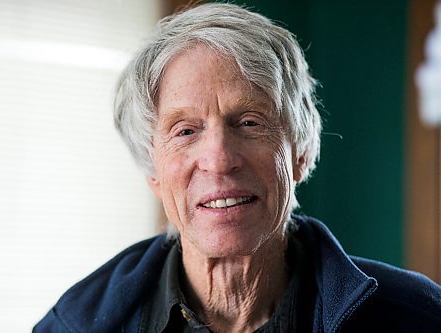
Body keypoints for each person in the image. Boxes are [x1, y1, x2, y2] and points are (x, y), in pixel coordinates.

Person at [33, 3, 441, 332]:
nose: (219, 158)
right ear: (153, 173)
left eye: (249, 122)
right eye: (186, 130)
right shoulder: (74, 325)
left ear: (299, 153)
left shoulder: (415, 316)